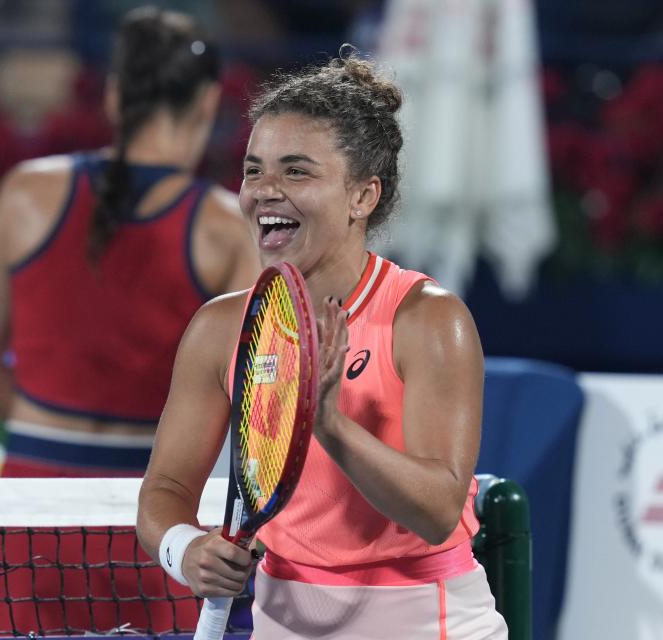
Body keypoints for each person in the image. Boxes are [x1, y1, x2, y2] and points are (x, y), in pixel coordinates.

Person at [137, 50, 509, 639]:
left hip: (426, 622)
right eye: (254, 169)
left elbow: (439, 511)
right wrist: (184, 549)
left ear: (363, 196)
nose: (265, 191)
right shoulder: (220, 329)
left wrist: (328, 422)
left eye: (296, 171)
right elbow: (165, 492)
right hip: (283, 619)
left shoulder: (430, 319)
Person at [0, 6, 259, 636]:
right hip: (158, 520)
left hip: (30, 507)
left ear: (117, 95)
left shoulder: (25, 192)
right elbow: (241, 399)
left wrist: (55, 437)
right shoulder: (230, 228)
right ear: (208, 103)